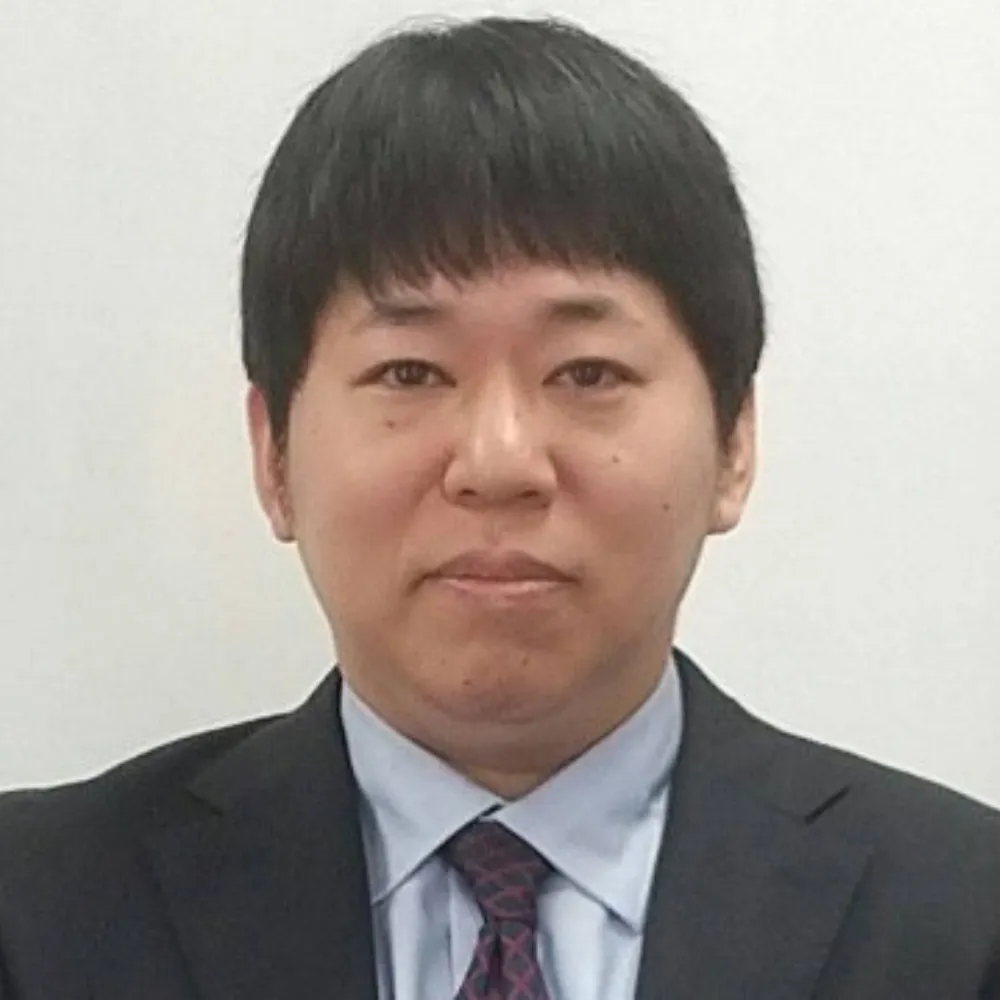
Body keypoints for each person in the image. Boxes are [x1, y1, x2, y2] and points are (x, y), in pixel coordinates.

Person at [0, 14, 998, 999]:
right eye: (408, 370)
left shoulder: (959, 919)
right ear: (273, 455)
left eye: (587, 370)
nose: (498, 461)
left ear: (734, 442)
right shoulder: (38, 914)